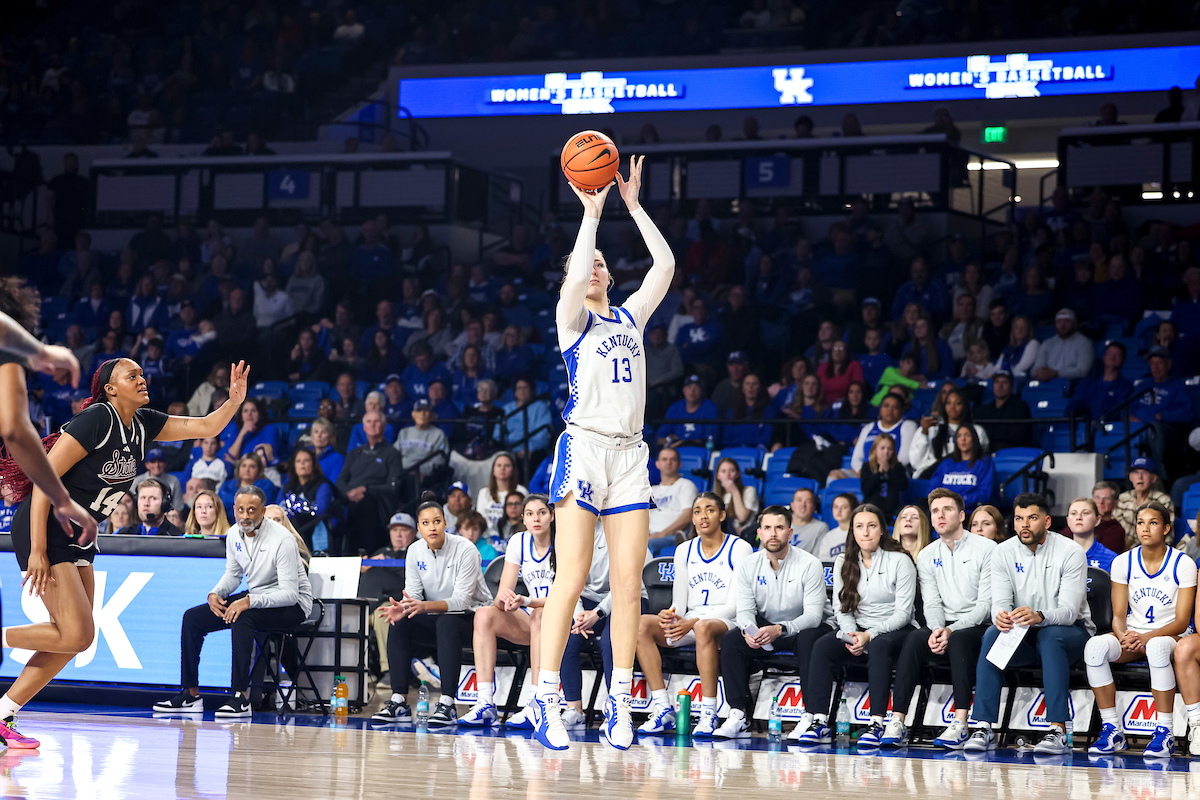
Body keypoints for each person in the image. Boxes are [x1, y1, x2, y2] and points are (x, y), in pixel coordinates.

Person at [1, 357, 249, 743]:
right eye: (131, 375)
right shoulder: (98, 418)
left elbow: (205, 426)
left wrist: (233, 402)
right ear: (111, 388)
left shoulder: (143, 423)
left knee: (74, 640)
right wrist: (36, 548)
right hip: (47, 527)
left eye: (143, 373)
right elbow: (42, 478)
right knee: (77, 635)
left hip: (81, 535)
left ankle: (4, 713)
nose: (142, 378)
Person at [536, 155, 674, 751]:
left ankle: (620, 700)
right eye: (581, 263)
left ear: (611, 276)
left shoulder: (631, 317)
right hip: (585, 448)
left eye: (598, 262)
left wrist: (635, 208)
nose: (590, 266)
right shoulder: (572, 321)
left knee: (625, 586)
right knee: (569, 578)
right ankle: (545, 699)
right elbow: (572, 277)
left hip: (630, 456)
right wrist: (590, 214)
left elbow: (665, 265)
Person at [152, 486, 312, 717]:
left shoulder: (282, 539)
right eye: (240, 510)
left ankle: (240, 697)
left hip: (294, 606)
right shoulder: (234, 533)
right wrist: (216, 593)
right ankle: (190, 694)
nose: (245, 515)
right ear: (234, 510)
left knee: (243, 615)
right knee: (193, 618)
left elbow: (289, 594)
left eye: (251, 510)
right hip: (258, 596)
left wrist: (248, 601)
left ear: (263, 511)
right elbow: (233, 575)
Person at [965, 493, 1094, 754]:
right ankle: (984, 725)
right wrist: (1000, 615)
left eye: (1032, 518)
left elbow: (1069, 612)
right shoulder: (1002, 552)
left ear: (1047, 521)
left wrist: (1040, 616)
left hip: (1072, 634)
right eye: (1019, 519)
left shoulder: (1071, 551)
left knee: (1050, 636)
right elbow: (1000, 602)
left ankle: (1058, 730)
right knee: (992, 634)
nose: (1024, 524)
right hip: (1024, 634)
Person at [796, 504, 916, 747]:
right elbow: (843, 608)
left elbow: (903, 613)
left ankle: (876, 722)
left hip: (895, 629)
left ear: (882, 530)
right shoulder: (844, 561)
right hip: (858, 629)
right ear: (852, 531)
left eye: (872, 526)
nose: (865, 532)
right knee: (822, 646)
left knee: (881, 647)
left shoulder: (900, 560)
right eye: (859, 527)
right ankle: (819, 720)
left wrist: (869, 635)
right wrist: (852, 635)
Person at [884, 489, 996, 748]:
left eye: (946, 509)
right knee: (914, 639)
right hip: (943, 625)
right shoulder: (926, 554)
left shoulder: (987, 549)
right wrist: (937, 629)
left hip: (979, 626)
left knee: (959, 640)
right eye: (935, 511)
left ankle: (960, 723)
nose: (940, 515)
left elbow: (986, 606)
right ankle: (897, 719)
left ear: (961, 515)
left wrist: (951, 630)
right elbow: (932, 603)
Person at [371, 492, 493, 726]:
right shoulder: (415, 551)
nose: (432, 527)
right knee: (401, 623)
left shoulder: (465, 549)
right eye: (426, 523)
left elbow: (461, 602)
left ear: (445, 523)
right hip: (437, 617)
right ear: (418, 527)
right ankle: (399, 701)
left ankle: (448, 704)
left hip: (476, 620)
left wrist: (422, 605)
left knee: (447, 622)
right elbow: (414, 594)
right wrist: (404, 608)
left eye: (437, 521)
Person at [638, 494, 753, 737]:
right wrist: (670, 615)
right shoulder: (683, 550)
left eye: (710, 510)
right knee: (641, 625)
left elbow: (734, 605)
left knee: (703, 628)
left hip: (727, 621)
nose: (703, 515)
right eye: (697, 511)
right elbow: (680, 602)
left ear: (722, 515)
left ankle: (708, 713)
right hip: (691, 621)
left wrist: (692, 622)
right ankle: (662, 709)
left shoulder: (740, 547)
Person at [1086, 502, 1196, 758]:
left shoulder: (1183, 563)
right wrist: (1123, 635)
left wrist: (1146, 638)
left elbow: (1181, 621)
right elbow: (1117, 615)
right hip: (1134, 635)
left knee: (1157, 648)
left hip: (1172, 636)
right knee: (1095, 647)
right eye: (1140, 522)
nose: (1145, 528)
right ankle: (1111, 728)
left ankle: (1165, 732)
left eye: (1153, 522)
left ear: (1167, 528)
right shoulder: (1123, 561)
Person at [717, 505, 832, 740]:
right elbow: (745, 610)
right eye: (767, 528)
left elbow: (813, 616)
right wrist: (748, 630)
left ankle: (812, 718)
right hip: (768, 627)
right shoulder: (748, 565)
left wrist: (781, 629)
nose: (772, 533)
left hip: (804, 627)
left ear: (789, 533)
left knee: (811, 639)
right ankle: (738, 715)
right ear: (759, 532)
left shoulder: (809, 564)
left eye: (779, 528)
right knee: (731, 641)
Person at [460, 495, 558, 727]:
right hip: (534, 620)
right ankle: (485, 703)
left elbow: (564, 598)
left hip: (565, 617)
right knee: (484, 615)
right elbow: (501, 594)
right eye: (530, 514)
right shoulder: (518, 541)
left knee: (539, 614)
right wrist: (506, 600)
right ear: (523, 518)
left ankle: (537, 701)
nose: (536, 518)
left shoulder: (563, 542)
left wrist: (526, 601)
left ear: (552, 516)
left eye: (542, 513)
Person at [335, 410, 402, 554]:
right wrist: (349, 493)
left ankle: (364, 553)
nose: (373, 425)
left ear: (384, 426)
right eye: (369, 422)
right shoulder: (355, 453)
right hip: (350, 501)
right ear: (364, 427)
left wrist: (366, 489)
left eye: (377, 421)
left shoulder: (392, 453)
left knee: (366, 503)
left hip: (378, 504)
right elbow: (341, 480)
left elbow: (393, 487)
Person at [910, 388, 990, 479]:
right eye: (948, 403)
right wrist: (924, 433)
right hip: (934, 473)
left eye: (958, 403)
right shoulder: (931, 429)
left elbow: (980, 459)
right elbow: (916, 462)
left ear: (965, 406)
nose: (952, 407)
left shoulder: (977, 430)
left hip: (964, 474)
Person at [275, 447, 337, 551]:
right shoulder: (288, 485)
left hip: (315, 525)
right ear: (294, 465)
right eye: (299, 461)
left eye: (306, 460)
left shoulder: (323, 485)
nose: (302, 464)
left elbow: (320, 510)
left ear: (313, 464)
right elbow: (277, 508)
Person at [843, 394, 918, 477]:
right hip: (865, 472)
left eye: (895, 407)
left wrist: (883, 469)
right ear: (880, 409)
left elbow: (904, 458)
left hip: (892, 472)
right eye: (886, 406)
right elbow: (856, 458)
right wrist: (863, 471)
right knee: (835, 475)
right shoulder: (869, 427)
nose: (890, 410)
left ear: (901, 410)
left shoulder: (908, 426)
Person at [647, 447, 699, 554]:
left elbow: (687, 516)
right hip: (649, 535)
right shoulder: (651, 490)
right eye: (664, 459)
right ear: (657, 464)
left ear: (679, 464)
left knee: (645, 546)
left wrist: (662, 534)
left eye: (673, 459)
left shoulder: (686, 485)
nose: (668, 462)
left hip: (672, 537)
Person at [1115, 457, 1174, 548]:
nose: (1139, 477)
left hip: (1154, 548)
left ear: (1153, 478)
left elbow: (1167, 534)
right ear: (1130, 477)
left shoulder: (1163, 500)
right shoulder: (1123, 498)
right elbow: (1116, 527)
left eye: (1144, 473)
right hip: (1123, 549)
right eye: (1135, 473)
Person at [930, 425, 995, 508]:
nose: (963, 439)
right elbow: (933, 490)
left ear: (974, 439)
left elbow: (985, 494)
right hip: (944, 510)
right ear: (956, 440)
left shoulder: (984, 463)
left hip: (970, 511)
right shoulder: (946, 464)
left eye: (967, 435)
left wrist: (958, 502)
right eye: (959, 436)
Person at [975, 371, 1033, 452]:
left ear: (1012, 387)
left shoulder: (1020, 407)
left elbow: (1017, 436)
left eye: (1004, 382)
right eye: (997, 382)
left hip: (1012, 451)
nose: (1000, 386)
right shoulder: (985, 409)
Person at [1032, 309, 1094, 382]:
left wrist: (1056, 373)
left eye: (1067, 321)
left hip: (1072, 384)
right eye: (1059, 321)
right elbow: (1035, 369)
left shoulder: (1084, 343)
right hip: (1047, 382)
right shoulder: (1047, 343)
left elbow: (1082, 371)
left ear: (1074, 323)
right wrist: (1039, 373)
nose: (1062, 325)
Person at [475, 453, 528, 534]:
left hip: (514, 534)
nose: (502, 468)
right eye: (499, 465)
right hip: (488, 537)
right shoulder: (484, 492)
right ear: (493, 470)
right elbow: (480, 520)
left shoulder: (521, 491)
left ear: (513, 471)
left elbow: (526, 517)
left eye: (507, 465)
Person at [1062, 497, 1118, 572]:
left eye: (1085, 513)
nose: (1079, 517)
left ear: (1097, 520)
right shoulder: (1058, 556)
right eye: (1073, 513)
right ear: (1068, 521)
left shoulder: (1111, 559)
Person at [860, 434, 908, 519]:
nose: (886, 452)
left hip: (892, 509)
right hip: (872, 509)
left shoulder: (898, 467)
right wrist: (879, 473)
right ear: (875, 450)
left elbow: (903, 486)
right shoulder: (867, 466)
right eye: (882, 448)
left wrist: (889, 471)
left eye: (889, 449)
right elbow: (866, 489)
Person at [116, 479, 182, 536]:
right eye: (143, 498)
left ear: (164, 504)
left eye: (153, 498)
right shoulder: (124, 534)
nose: (146, 503)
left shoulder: (175, 537)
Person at [714, 457, 760, 539]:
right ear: (718, 476)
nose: (728, 474)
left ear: (738, 474)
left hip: (744, 537)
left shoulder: (749, 491)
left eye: (732, 471)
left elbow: (742, 517)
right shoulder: (715, 496)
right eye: (723, 471)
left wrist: (734, 491)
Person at [130, 448, 185, 513]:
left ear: (165, 464)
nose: (157, 465)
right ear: (147, 465)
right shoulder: (137, 481)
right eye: (153, 461)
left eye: (160, 461)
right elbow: (131, 506)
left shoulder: (173, 481)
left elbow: (178, 507)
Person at [813, 493, 857, 561]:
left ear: (853, 510)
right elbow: (823, 561)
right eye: (836, 507)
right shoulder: (829, 536)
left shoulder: (859, 533)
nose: (839, 510)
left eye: (844, 507)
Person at [789, 487, 828, 554]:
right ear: (792, 505)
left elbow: (817, 560)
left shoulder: (820, 527)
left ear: (813, 507)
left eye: (808, 501)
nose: (803, 505)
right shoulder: (780, 525)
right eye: (799, 500)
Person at [1091, 481, 1126, 553]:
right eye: (1097, 498)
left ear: (1115, 503)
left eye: (1106, 498)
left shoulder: (1116, 530)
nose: (1101, 502)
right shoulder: (1085, 522)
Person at [308, 418, 344, 483]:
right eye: (316, 432)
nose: (319, 435)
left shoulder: (337, 458)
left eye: (323, 432)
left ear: (330, 437)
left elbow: (334, 484)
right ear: (312, 437)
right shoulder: (305, 456)